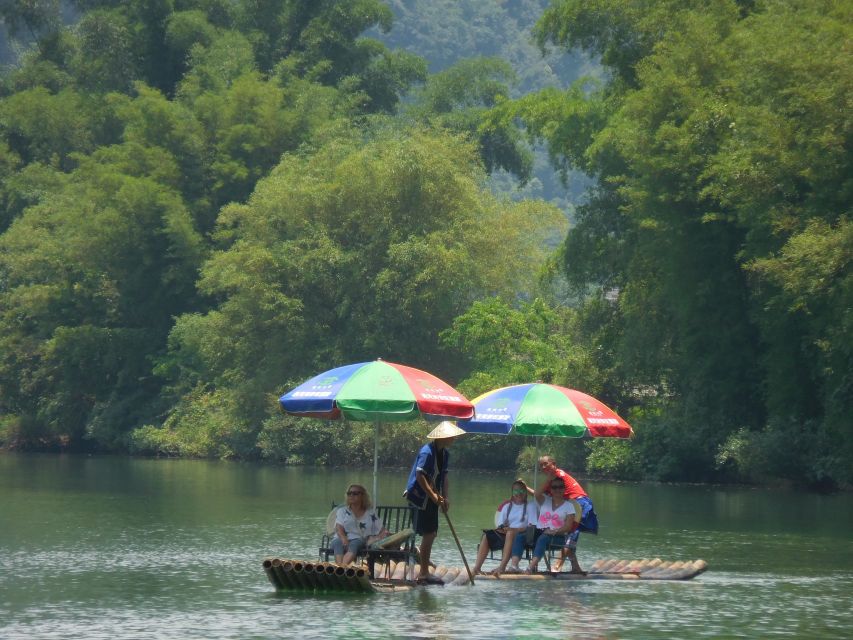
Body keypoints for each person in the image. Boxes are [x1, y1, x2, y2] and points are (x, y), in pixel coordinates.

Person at [403, 420, 465, 585]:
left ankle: (423, 569)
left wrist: (445, 498)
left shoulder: (444, 454)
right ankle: (423, 572)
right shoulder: (427, 452)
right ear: (443, 437)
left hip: (432, 498)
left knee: (432, 533)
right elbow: (420, 476)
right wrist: (433, 496)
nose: (454, 439)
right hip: (419, 497)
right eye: (451, 436)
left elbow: (443, 478)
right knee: (428, 533)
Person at [535, 455, 599, 573]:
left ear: (554, 464)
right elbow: (539, 495)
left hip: (580, 503)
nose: (544, 467)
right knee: (570, 535)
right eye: (541, 466)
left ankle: (558, 566)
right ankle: (575, 567)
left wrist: (547, 480)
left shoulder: (556, 476)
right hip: (573, 504)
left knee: (571, 534)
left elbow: (540, 493)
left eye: (546, 464)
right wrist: (525, 488)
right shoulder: (553, 481)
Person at [471, 479, 532, 576]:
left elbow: (532, 526)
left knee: (510, 533)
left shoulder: (531, 506)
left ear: (525, 492)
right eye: (516, 491)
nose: (518, 493)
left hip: (522, 535)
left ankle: (502, 567)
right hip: (506, 533)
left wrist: (515, 530)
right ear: (512, 493)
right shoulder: (507, 506)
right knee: (486, 535)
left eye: (521, 491)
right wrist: (504, 528)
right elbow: (501, 525)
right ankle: (477, 568)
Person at [517, 474, 577, 574]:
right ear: (551, 489)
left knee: (543, 537)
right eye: (554, 487)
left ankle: (530, 568)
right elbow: (536, 494)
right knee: (521, 536)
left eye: (560, 487)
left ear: (564, 488)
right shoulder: (545, 500)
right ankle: (514, 566)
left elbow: (568, 527)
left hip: (558, 537)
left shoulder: (569, 506)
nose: (558, 489)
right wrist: (547, 480)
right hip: (541, 532)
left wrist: (555, 531)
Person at [331, 483, 390, 565]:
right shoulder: (342, 511)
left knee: (354, 545)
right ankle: (340, 569)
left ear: (362, 496)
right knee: (337, 543)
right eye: (349, 493)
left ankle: (340, 569)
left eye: (355, 493)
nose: (351, 495)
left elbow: (382, 529)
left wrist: (380, 536)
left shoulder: (370, 513)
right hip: (341, 537)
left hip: (358, 538)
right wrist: (344, 538)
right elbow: (339, 527)